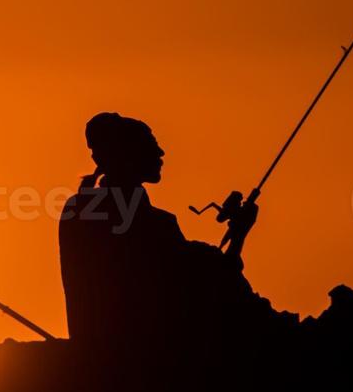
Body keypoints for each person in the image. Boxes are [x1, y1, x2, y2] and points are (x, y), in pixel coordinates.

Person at [59, 113, 294, 362]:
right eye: (150, 145)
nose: (161, 152)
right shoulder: (151, 223)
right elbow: (212, 281)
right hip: (143, 356)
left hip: (106, 352)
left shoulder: (79, 209)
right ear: (127, 155)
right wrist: (239, 235)